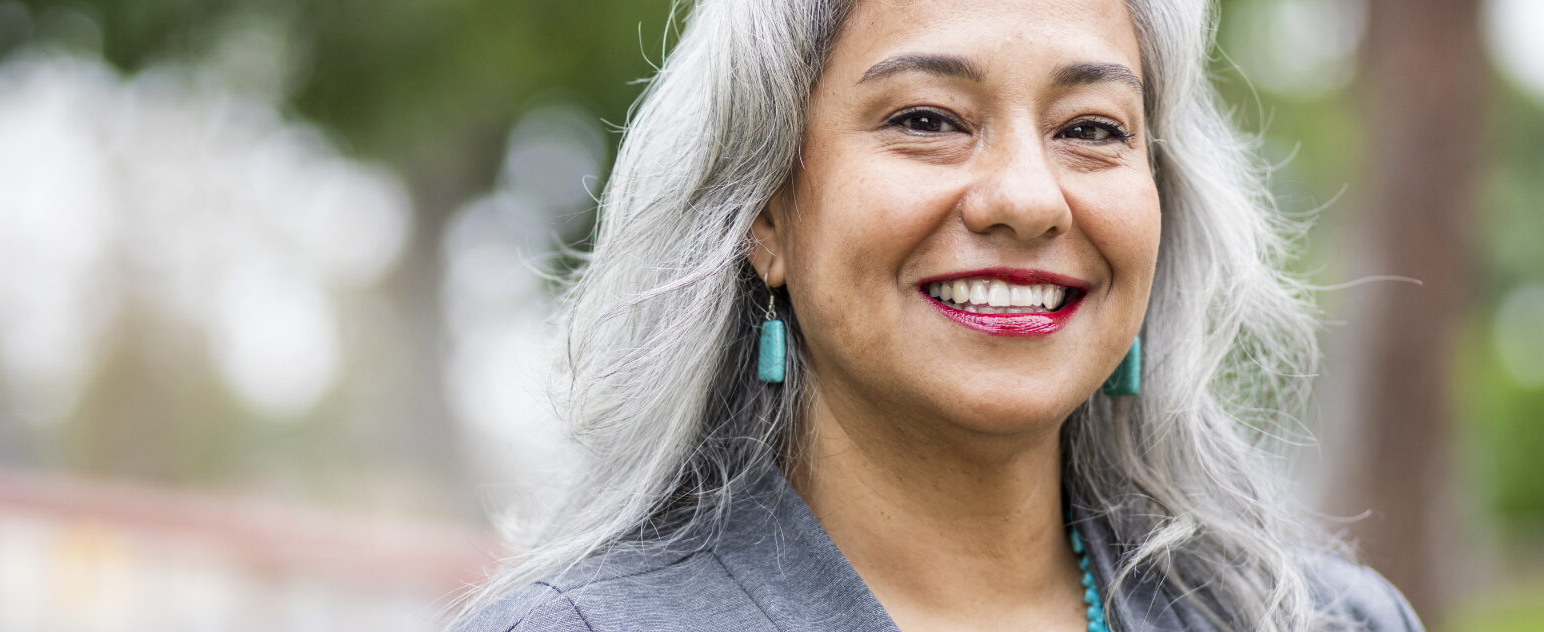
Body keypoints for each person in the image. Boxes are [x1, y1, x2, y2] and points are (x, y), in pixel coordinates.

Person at [451, 0, 1424, 630]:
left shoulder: (1324, 619)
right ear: (765, 213)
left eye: (1091, 129)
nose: (1027, 198)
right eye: (928, 119)